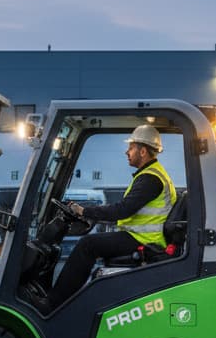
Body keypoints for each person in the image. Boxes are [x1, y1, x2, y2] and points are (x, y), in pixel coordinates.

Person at [23, 125, 176, 313]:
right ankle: (57, 300)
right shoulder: (150, 175)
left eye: (131, 148)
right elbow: (124, 211)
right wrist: (90, 214)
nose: (126, 152)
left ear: (143, 151)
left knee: (88, 245)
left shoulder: (151, 178)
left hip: (145, 241)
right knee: (90, 243)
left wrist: (84, 211)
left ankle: (52, 305)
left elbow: (122, 210)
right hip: (140, 237)